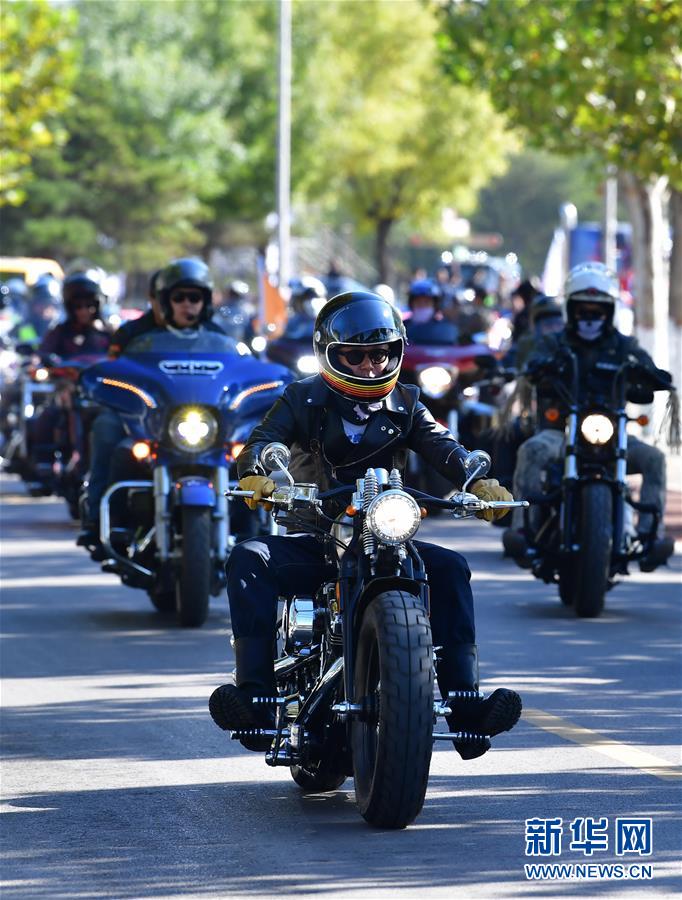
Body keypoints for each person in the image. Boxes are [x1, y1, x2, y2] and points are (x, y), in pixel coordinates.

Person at [209, 290, 522, 758]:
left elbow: (443, 447)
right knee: (248, 558)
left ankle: (465, 709)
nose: (371, 366)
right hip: (319, 536)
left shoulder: (407, 402)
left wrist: (478, 481)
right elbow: (262, 441)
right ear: (329, 354)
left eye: (380, 354)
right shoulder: (301, 398)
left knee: (451, 567)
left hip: (384, 537)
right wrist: (260, 471)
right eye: (355, 356)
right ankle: (255, 699)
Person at [511, 262, 674, 569]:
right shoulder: (554, 343)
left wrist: (653, 375)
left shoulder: (623, 345)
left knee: (654, 458)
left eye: (597, 310)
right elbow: (532, 364)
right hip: (560, 432)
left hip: (613, 433)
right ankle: (523, 528)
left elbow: (646, 364)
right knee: (530, 450)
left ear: (610, 311)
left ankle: (651, 535)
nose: (590, 316)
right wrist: (537, 368)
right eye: (583, 309)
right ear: (570, 310)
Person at [78, 257, 225, 550]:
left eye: (194, 298)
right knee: (106, 428)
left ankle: (254, 523)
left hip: (202, 421)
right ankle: (101, 519)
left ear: (205, 301)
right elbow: (113, 374)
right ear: (161, 299)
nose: (187, 304)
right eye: (179, 298)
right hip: (142, 417)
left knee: (248, 446)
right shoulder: (132, 334)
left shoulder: (218, 337)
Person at [39, 271, 111, 358]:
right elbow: (41, 355)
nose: (84, 311)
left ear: (97, 306)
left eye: (89, 305)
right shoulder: (59, 333)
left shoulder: (107, 333)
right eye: (78, 306)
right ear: (70, 308)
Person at [107, 270, 164, 358]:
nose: (185, 304)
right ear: (151, 297)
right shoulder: (127, 332)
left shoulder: (186, 333)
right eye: (178, 298)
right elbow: (112, 361)